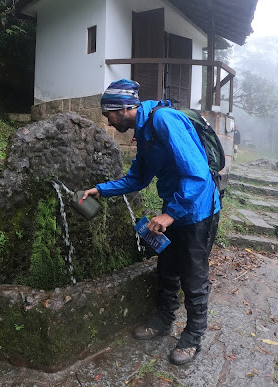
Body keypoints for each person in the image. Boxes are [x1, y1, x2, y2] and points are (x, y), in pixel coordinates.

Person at [80, 79, 220, 366]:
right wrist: (101, 189)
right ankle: (163, 321)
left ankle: (193, 337)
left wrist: (170, 214)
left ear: (121, 109)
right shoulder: (144, 132)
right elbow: (138, 178)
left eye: (108, 115)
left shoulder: (165, 120)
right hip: (175, 210)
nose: (107, 121)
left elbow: (198, 175)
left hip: (198, 211)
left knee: (194, 277)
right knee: (167, 269)